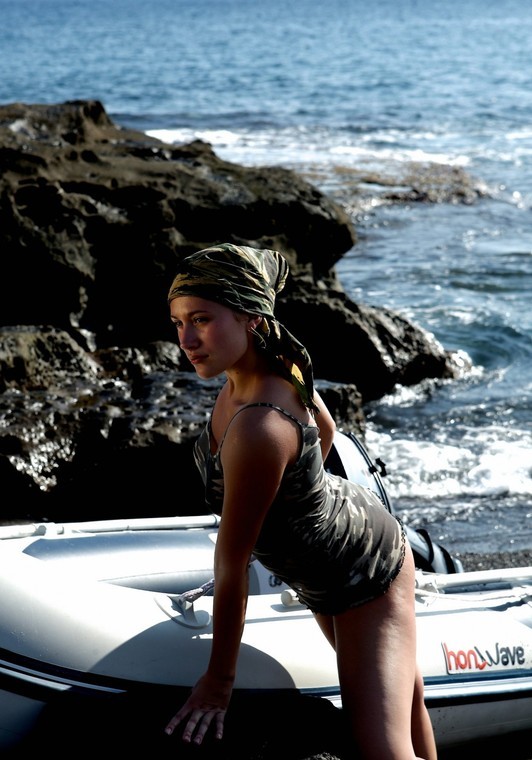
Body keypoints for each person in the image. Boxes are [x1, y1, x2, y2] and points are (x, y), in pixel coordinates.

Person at [163, 242, 438, 760]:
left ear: (251, 317)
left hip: (362, 568)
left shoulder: (261, 426)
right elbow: (326, 430)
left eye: (201, 319)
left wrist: (219, 682)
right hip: (327, 559)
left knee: (380, 746)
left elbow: (232, 562)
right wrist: (303, 499)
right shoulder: (263, 375)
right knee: (406, 704)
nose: (187, 339)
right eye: (179, 323)